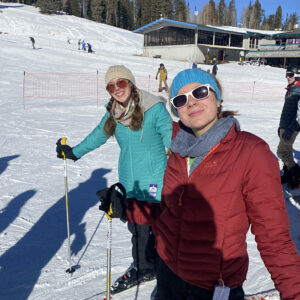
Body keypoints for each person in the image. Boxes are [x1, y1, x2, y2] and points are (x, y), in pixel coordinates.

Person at [105, 68, 300, 299]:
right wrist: (127, 208)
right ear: (176, 110)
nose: (191, 103)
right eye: (181, 99)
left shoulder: (250, 152)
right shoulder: (178, 151)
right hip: (167, 276)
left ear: (217, 98)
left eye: (200, 92)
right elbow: (168, 214)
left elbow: (274, 240)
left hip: (211, 288)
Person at [56, 65, 173, 294]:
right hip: (129, 181)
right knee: (135, 225)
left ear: (130, 83)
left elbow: (173, 140)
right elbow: (98, 134)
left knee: (150, 226)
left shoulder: (154, 109)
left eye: (121, 83)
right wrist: (75, 152)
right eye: (111, 86)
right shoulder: (113, 113)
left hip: (154, 180)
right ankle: (148, 265)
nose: (117, 89)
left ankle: (152, 267)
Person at [277, 65, 300, 188]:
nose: (287, 77)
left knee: (281, 152)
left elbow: (299, 115)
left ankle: (297, 175)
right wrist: (281, 126)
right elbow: (287, 110)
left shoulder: (299, 90)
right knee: (287, 150)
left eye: (290, 75)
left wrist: (290, 128)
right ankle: (288, 175)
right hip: (285, 125)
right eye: (286, 74)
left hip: (292, 127)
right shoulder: (291, 89)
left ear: (297, 75)